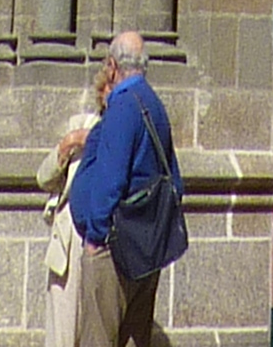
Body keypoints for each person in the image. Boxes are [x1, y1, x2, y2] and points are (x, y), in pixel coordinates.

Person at [63, 31, 184, 346]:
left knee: (98, 338)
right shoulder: (152, 104)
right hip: (144, 246)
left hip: (113, 248)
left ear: (113, 66)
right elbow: (174, 178)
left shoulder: (123, 106)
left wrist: (95, 237)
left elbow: (111, 179)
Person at [37, 93, 97, 347]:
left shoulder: (126, 129)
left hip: (103, 241)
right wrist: (67, 145)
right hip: (69, 241)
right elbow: (44, 178)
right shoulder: (82, 123)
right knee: (62, 333)